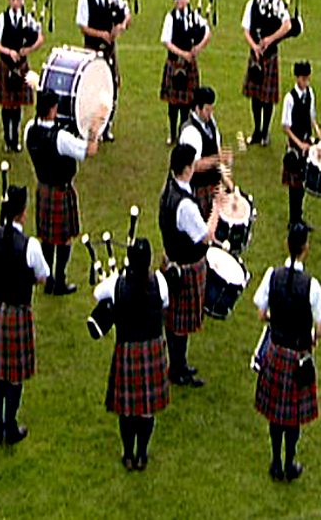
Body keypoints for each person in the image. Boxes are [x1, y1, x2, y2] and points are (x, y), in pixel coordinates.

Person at [0, 186, 50, 445]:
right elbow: (43, 276)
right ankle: (10, 425)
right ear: (23, 213)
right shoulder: (30, 246)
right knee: (14, 376)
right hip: (18, 313)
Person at [253, 223, 321, 482]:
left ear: (287, 245)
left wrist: (277, 320)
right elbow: (320, 329)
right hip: (297, 356)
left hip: (276, 351)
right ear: (305, 248)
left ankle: (275, 461)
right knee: (292, 416)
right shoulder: (312, 286)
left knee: (276, 414)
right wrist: (310, 338)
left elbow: (262, 313)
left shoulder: (272, 275)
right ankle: (289, 462)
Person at [95, 237, 171, 471]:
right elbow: (164, 304)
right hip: (152, 350)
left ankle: (127, 454)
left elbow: (98, 294)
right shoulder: (160, 281)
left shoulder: (116, 284)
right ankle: (142, 454)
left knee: (127, 410)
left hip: (127, 350)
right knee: (146, 411)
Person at [25, 89, 104, 295]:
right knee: (65, 238)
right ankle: (59, 281)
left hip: (43, 189)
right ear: (53, 109)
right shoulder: (60, 138)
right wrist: (94, 130)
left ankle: (48, 279)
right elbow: (89, 150)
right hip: (60, 190)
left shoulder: (29, 130)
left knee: (47, 238)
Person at [159, 144, 216, 387]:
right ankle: (178, 369)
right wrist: (217, 208)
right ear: (186, 168)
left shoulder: (169, 188)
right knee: (179, 324)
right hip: (186, 266)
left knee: (175, 321)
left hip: (172, 260)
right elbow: (206, 236)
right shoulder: (186, 206)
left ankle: (178, 364)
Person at [77, 0, 131, 141]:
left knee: (111, 87)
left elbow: (127, 14)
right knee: (93, 88)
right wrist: (102, 34)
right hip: (92, 50)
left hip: (109, 51)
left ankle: (107, 126)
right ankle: (93, 128)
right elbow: (83, 26)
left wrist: (121, 26)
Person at [242, 0, 292, 147]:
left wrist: (270, 39)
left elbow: (288, 25)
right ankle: (256, 130)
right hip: (256, 55)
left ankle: (265, 131)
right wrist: (254, 46)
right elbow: (245, 30)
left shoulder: (277, 4)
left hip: (269, 55)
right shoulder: (251, 4)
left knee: (267, 98)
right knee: (255, 96)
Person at [0, 0, 44, 153]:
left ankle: (16, 137)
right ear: (9, 0)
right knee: (7, 106)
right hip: (6, 65)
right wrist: (9, 52)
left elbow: (40, 37)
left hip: (21, 67)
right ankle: (8, 138)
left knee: (18, 106)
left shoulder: (27, 18)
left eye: (19, 0)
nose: (16, 3)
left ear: (22, 1)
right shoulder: (2, 19)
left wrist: (28, 50)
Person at [161, 0, 212, 144]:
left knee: (187, 103)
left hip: (189, 65)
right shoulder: (170, 18)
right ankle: (172, 133)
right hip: (175, 63)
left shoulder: (194, 16)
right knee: (173, 104)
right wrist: (183, 54)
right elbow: (166, 41)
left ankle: (184, 132)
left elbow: (207, 32)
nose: (181, 2)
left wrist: (198, 48)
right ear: (175, 1)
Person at [281, 61, 321, 229]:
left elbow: (311, 116)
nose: (306, 82)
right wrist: (299, 144)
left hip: (307, 143)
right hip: (295, 147)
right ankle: (293, 220)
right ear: (297, 78)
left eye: (308, 78)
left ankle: (299, 217)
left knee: (303, 183)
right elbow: (285, 126)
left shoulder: (310, 93)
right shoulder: (290, 98)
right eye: (303, 78)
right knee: (295, 186)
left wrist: (318, 131)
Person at [178, 86, 229, 219]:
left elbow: (216, 149)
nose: (210, 113)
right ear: (197, 108)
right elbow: (194, 165)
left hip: (214, 186)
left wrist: (226, 178)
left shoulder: (211, 123)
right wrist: (218, 159)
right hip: (198, 188)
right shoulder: (190, 132)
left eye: (212, 108)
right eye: (207, 109)